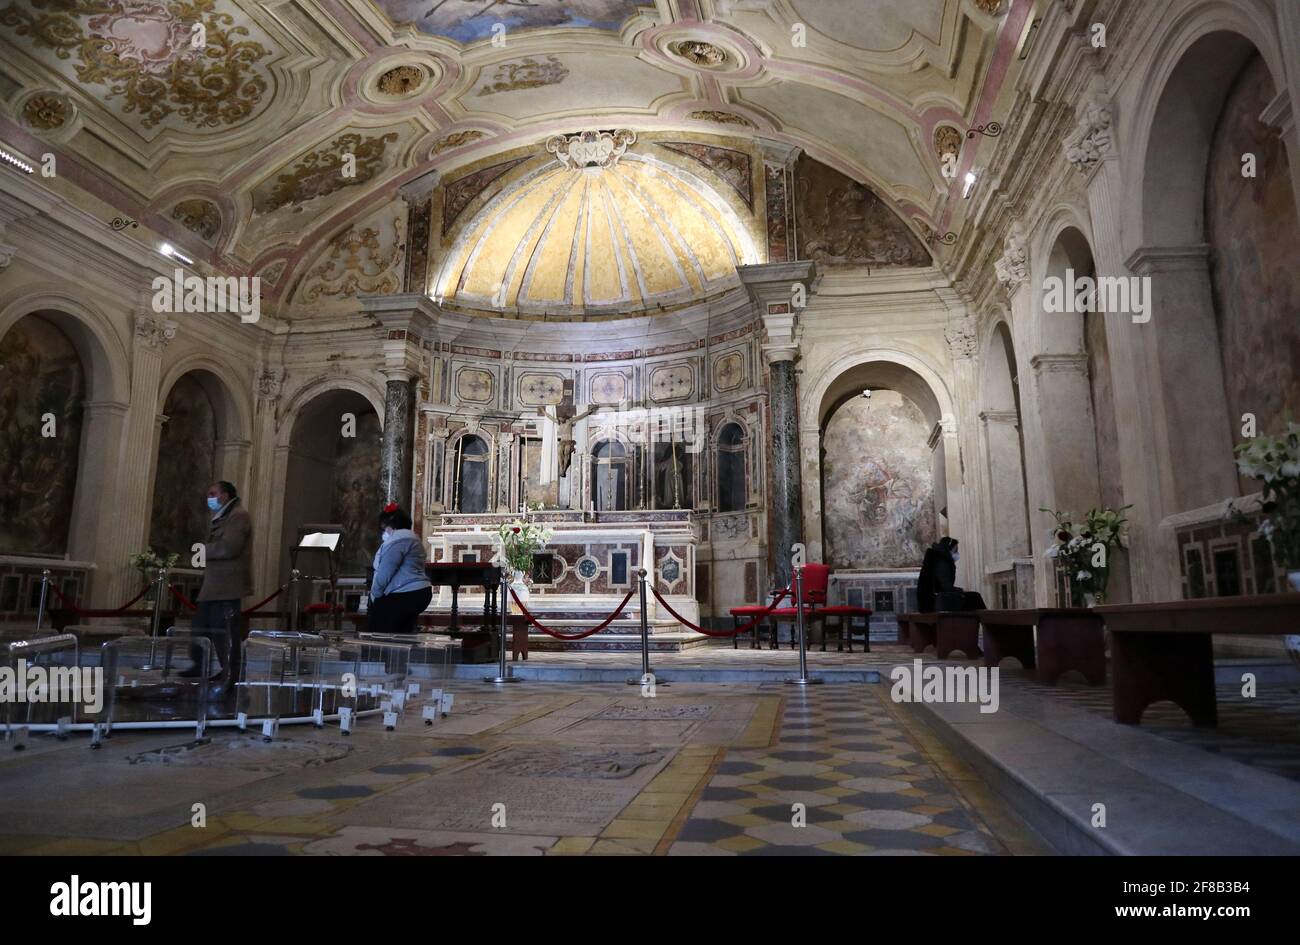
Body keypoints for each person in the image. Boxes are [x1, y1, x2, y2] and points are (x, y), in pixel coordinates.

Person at [190, 480, 253, 681]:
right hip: (214, 584)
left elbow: (230, 547)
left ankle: (232, 671)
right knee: (202, 626)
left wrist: (202, 550)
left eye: (212, 493)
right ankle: (199, 665)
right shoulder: (223, 516)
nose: (209, 498)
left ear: (224, 496)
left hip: (227, 585)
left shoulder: (238, 516)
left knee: (224, 631)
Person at [366, 502, 432, 633]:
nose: (384, 532)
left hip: (404, 592)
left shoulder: (398, 540)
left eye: (384, 528)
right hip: (418, 591)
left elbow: (386, 571)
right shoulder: (413, 539)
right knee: (402, 634)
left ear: (390, 526)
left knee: (380, 634)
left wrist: (376, 594)